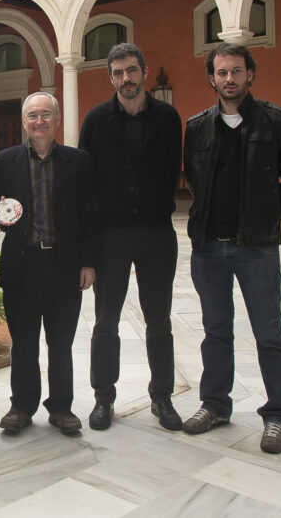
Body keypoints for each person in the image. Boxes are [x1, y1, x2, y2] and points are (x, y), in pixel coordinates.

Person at [182, 42, 281, 454]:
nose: (229, 79)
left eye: (236, 71)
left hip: (257, 249)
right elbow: (195, 181)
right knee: (216, 333)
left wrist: (268, 219)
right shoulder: (197, 127)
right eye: (222, 73)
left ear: (250, 74)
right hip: (209, 250)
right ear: (211, 79)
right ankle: (215, 405)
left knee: (269, 333)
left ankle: (276, 415)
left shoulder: (274, 122)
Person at [78, 43, 183, 432]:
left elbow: (173, 168)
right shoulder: (96, 121)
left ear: (144, 71)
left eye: (132, 71)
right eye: (118, 72)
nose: (126, 79)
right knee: (106, 321)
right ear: (110, 78)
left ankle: (163, 397)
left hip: (157, 233)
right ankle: (103, 397)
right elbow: (87, 189)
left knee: (160, 319)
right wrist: (88, 250)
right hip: (112, 236)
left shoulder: (169, 118)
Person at [0, 91, 99, 436]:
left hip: (64, 265)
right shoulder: (5, 161)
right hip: (22, 264)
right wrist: (1, 214)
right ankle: (21, 406)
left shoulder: (78, 161)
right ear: (23, 121)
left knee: (61, 341)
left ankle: (61, 407)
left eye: (45, 115)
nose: (39, 121)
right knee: (22, 342)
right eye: (32, 115)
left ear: (57, 119)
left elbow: (90, 214)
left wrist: (89, 262)